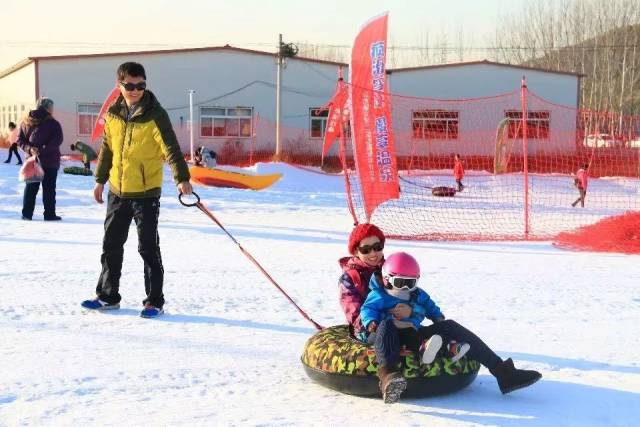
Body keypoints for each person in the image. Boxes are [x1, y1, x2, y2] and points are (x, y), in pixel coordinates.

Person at [339, 224, 542, 404]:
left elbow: (417, 296)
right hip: (375, 331)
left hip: (409, 325)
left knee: (449, 326)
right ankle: (389, 378)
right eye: (366, 249)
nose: (373, 253)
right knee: (387, 326)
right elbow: (357, 317)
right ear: (356, 250)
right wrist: (388, 319)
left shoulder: (393, 265)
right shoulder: (350, 278)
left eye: (377, 247)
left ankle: (503, 372)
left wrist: (414, 312)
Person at [81, 61, 192, 318]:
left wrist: (181, 177)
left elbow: (171, 148)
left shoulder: (155, 114)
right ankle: (108, 296)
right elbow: (108, 148)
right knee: (111, 245)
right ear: (119, 85)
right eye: (129, 85)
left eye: (140, 85)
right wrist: (100, 180)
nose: (135, 90)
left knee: (148, 248)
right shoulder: (113, 113)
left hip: (146, 193)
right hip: (117, 191)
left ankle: (154, 301)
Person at [18, 97, 63, 221]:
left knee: (31, 188)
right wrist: (42, 149)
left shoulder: (26, 121)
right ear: (48, 108)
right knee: (49, 189)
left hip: (32, 161)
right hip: (50, 161)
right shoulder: (53, 123)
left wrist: (30, 149)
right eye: (52, 108)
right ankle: (49, 214)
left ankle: (26, 214)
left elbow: (20, 140)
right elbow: (57, 140)